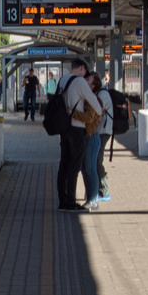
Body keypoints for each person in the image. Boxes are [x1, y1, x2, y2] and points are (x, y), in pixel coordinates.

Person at [55, 59, 102, 211]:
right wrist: (99, 113)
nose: (85, 76)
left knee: (63, 165)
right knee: (74, 167)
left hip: (64, 128)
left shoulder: (63, 80)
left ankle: (62, 201)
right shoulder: (80, 82)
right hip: (76, 129)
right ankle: (71, 202)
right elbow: (95, 102)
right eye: (85, 73)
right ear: (82, 68)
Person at [88, 72, 112, 207]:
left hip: (103, 131)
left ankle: (104, 191)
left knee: (97, 161)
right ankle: (100, 190)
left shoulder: (103, 95)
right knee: (96, 160)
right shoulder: (100, 94)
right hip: (100, 131)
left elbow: (98, 113)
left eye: (89, 82)